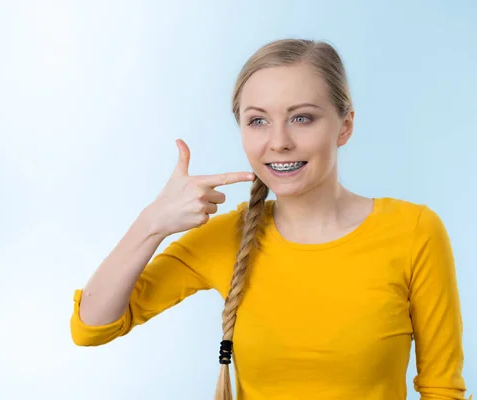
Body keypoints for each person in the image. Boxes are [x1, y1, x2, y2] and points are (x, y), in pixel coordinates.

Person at [70, 39, 470, 400]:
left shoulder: (413, 231)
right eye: (258, 120)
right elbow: (92, 326)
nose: (278, 141)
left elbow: (442, 389)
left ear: (344, 126)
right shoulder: (227, 236)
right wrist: (151, 223)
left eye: (302, 118)